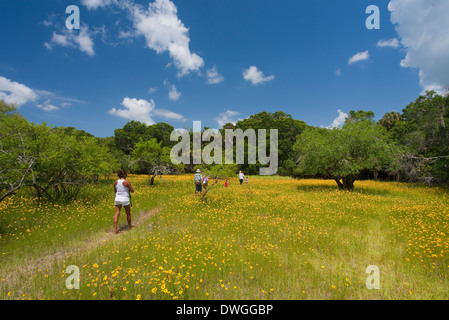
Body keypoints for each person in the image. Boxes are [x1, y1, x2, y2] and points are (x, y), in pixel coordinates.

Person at [113, 170, 134, 234]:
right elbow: (132, 190)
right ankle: (129, 226)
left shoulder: (116, 182)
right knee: (128, 213)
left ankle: (115, 229)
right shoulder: (127, 182)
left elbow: (115, 191)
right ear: (124, 175)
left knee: (117, 214)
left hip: (117, 198)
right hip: (125, 199)